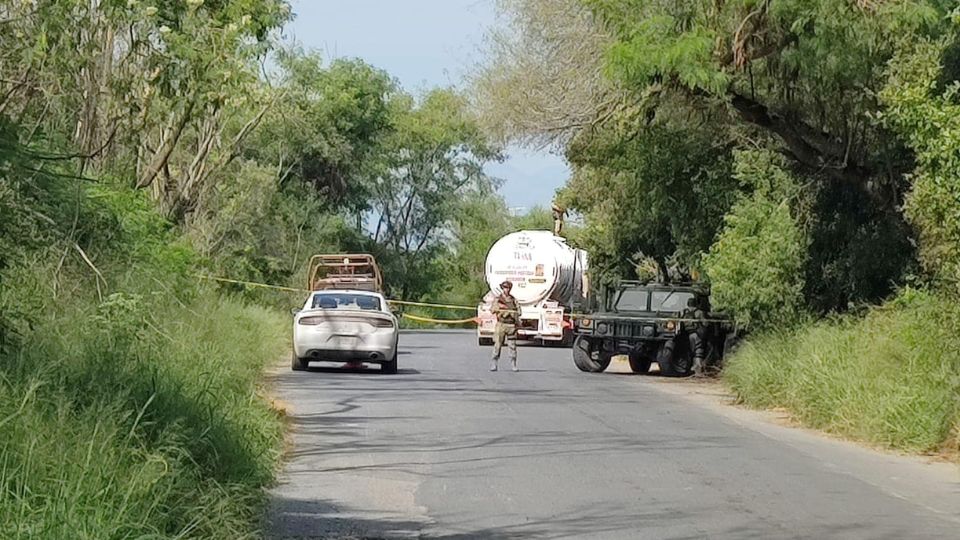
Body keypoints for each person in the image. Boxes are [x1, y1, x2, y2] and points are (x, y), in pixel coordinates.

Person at [490, 280, 519, 372]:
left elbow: (519, 311)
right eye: (505, 288)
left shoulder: (513, 300)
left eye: (508, 288)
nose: (506, 290)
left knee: (512, 346)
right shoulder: (498, 299)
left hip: (511, 325)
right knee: (497, 344)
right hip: (501, 324)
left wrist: (513, 313)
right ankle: (494, 363)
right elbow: (492, 310)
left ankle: (513, 364)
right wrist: (501, 308)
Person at [684, 297, 707, 375]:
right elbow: (705, 323)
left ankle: (691, 369)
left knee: (691, 352)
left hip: (689, 334)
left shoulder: (684, 312)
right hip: (697, 334)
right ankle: (698, 371)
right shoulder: (699, 312)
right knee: (698, 351)